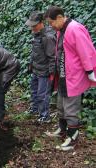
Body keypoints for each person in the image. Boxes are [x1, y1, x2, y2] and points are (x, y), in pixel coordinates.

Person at [44, 6, 96, 151]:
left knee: (70, 109)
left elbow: (85, 51)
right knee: (61, 105)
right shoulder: (62, 29)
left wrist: (90, 70)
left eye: (51, 22)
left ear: (60, 17)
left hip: (73, 77)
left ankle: (73, 140)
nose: (51, 26)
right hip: (63, 76)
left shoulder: (74, 29)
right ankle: (62, 130)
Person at [25, 11, 56, 122]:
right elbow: (35, 52)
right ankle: (34, 109)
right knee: (34, 91)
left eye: (34, 25)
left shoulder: (48, 37)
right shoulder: (36, 34)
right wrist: (31, 65)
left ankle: (44, 116)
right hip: (36, 69)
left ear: (41, 23)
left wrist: (52, 73)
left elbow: (52, 57)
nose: (32, 27)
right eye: (31, 25)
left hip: (44, 72)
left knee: (42, 94)